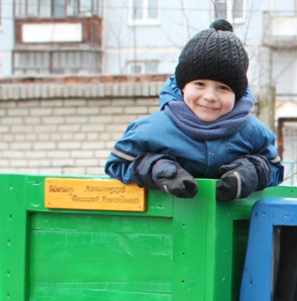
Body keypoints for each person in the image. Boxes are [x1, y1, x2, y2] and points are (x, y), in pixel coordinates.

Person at [105, 19, 283, 202]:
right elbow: (117, 165)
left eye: (223, 88)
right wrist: (158, 168)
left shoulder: (252, 131)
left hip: (232, 226)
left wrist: (250, 171)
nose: (210, 96)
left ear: (237, 95)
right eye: (200, 84)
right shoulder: (151, 129)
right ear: (183, 86)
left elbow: (275, 169)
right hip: (167, 225)